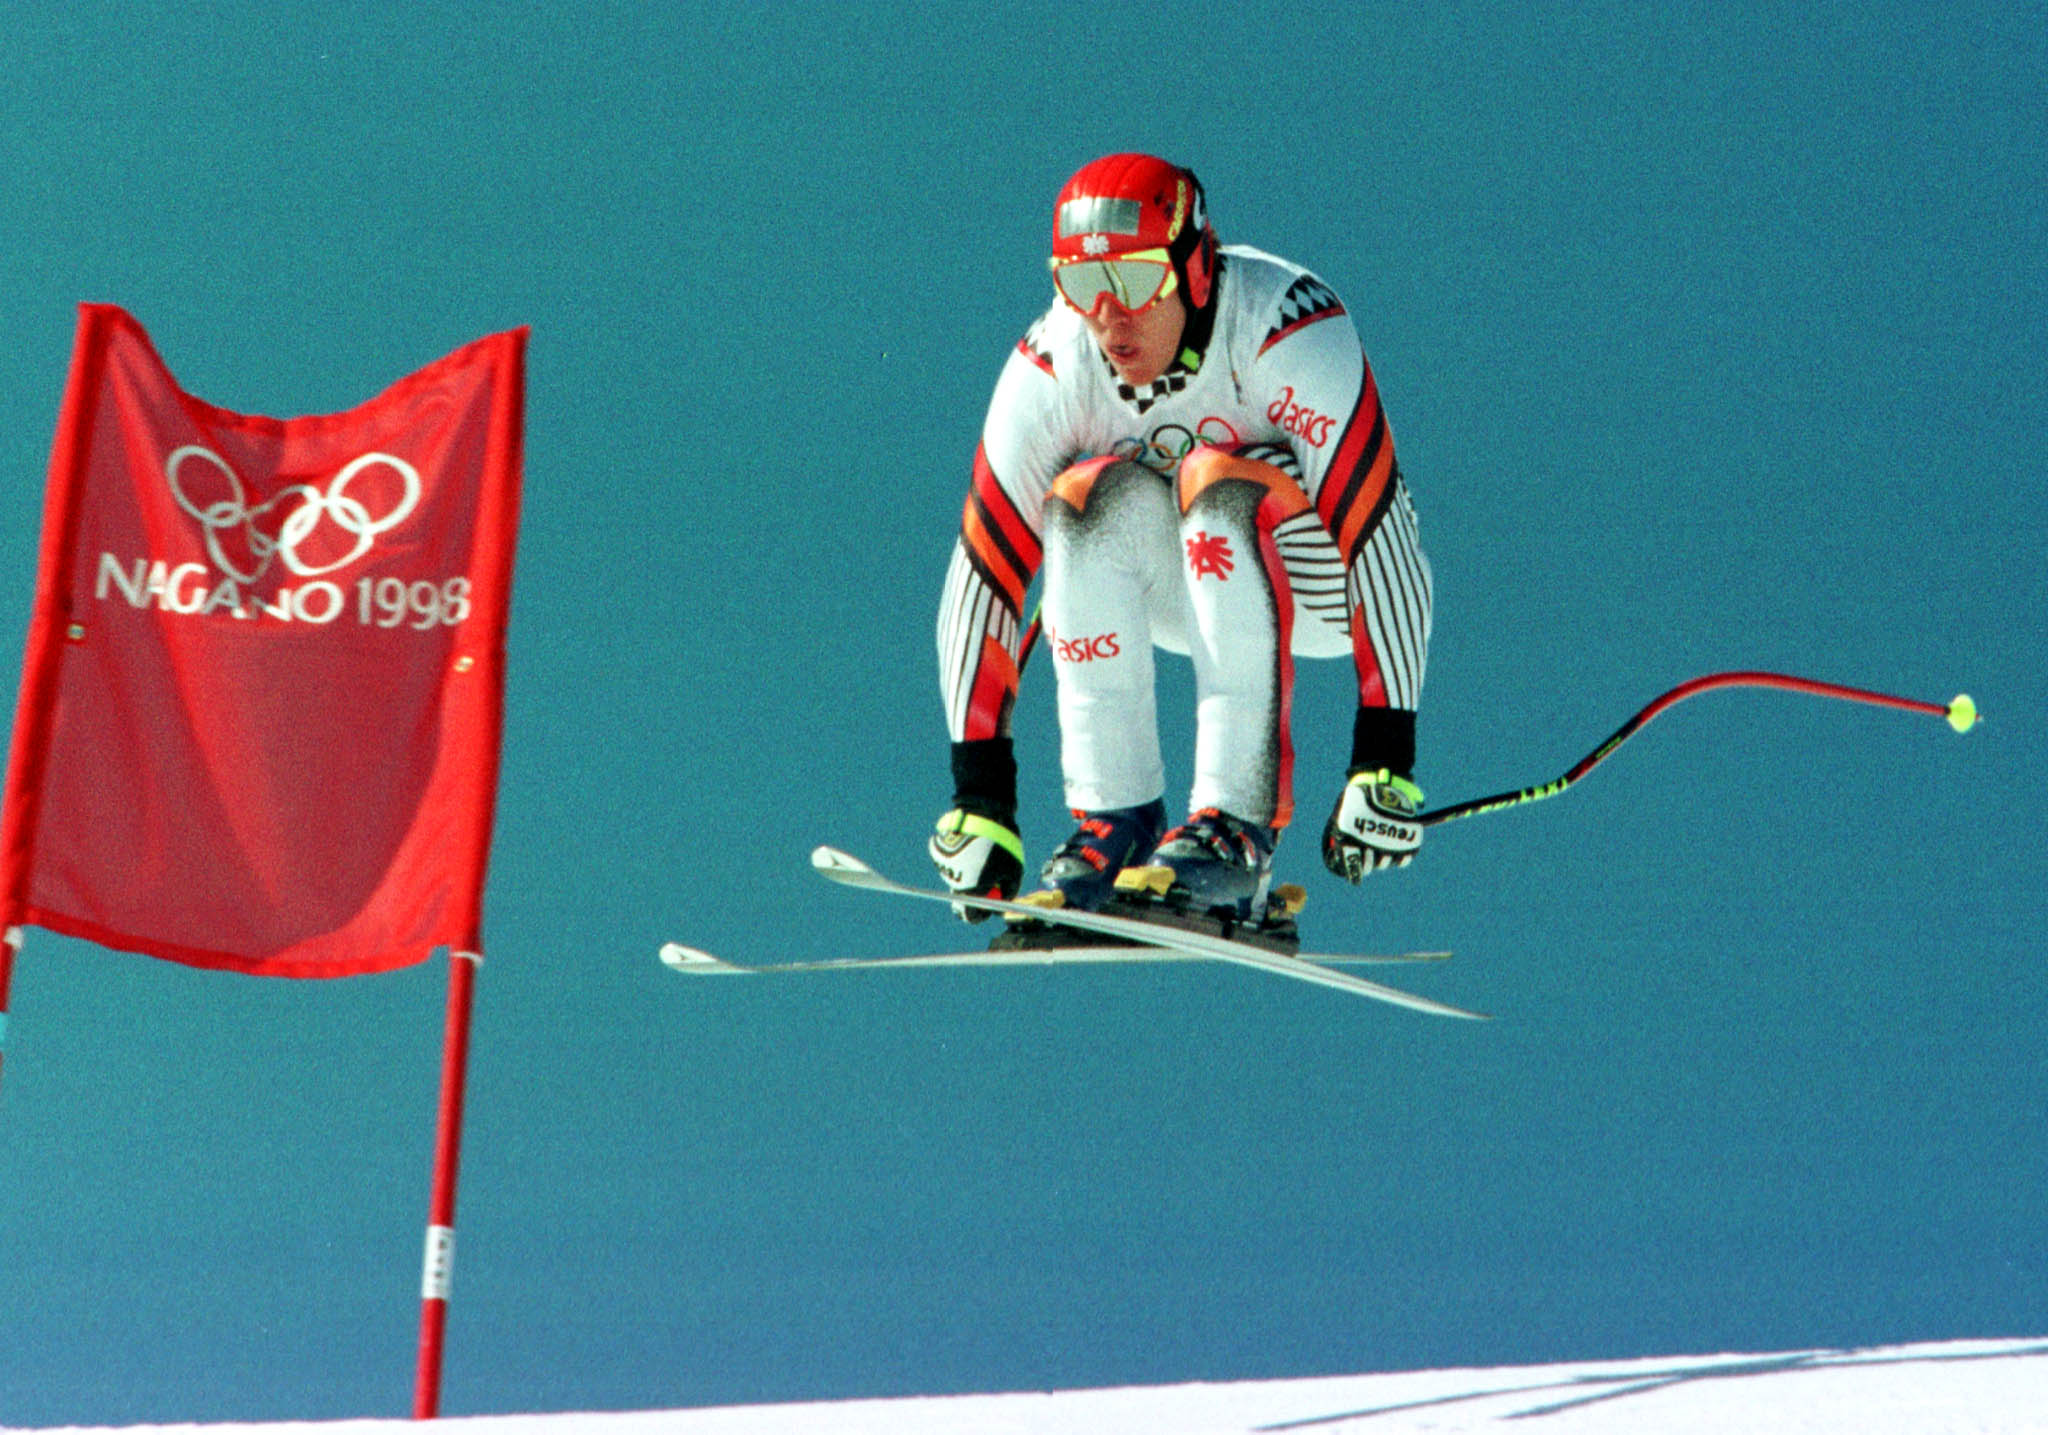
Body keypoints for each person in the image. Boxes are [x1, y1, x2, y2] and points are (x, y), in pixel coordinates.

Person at [930, 153, 1432, 925]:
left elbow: (1383, 533)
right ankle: (1118, 825)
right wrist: (981, 795)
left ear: (1195, 270)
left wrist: (1383, 758)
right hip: (1191, 587)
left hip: (1324, 582)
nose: (1108, 318)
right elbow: (985, 569)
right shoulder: (1057, 361)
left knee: (1216, 482)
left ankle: (1235, 825)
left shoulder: (1284, 326)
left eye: (1131, 282)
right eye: (1081, 285)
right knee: (1082, 503)